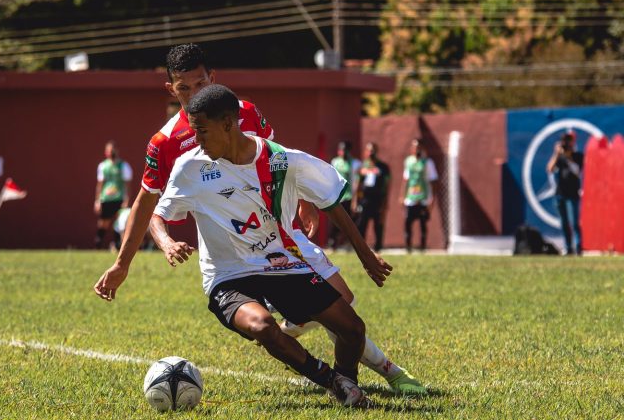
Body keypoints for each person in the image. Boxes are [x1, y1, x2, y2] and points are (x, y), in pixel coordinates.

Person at [93, 44, 426, 396]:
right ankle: (380, 371)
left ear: (213, 79)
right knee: (270, 322)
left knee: (344, 304)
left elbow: (279, 164)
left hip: (280, 236)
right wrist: (124, 263)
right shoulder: (166, 144)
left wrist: (306, 202)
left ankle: (308, 343)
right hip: (229, 251)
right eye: (184, 88)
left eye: (200, 84)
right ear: (170, 89)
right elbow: (148, 204)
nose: (193, 95)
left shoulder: (244, 112)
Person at [151, 84, 397, 407]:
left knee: (352, 329)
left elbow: (331, 201)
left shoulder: (279, 159)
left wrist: (366, 256)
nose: (197, 140)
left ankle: (347, 384)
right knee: (263, 325)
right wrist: (167, 242)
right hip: (227, 276)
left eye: (202, 131)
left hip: (280, 264)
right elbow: (158, 216)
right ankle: (331, 380)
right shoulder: (191, 167)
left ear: (228, 124)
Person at [546, 131, 584, 255]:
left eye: (568, 140)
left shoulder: (578, 156)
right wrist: (556, 154)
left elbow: (576, 171)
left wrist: (568, 157)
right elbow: (550, 169)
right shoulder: (559, 157)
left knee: (574, 223)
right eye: (564, 140)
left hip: (572, 194)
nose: (566, 143)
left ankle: (578, 248)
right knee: (564, 223)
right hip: (560, 194)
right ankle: (568, 248)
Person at [400, 138, 438, 252]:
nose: (416, 150)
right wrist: (402, 195)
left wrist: (432, 198)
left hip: (423, 197)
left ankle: (422, 247)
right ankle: (408, 247)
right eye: (414, 147)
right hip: (411, 197)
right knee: (408, 222)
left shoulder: (428, 163)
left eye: (418, 147)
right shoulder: (408, 161)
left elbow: (433, 180)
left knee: (423, 223)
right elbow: (405, 180)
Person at [94, 141, 132, 249]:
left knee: (118, 222)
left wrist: (126, 200)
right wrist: (97, 201)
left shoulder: (123, 166)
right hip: (106, 199)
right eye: (109, 150)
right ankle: (98, 244)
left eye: (113, 150)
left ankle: (117, 245)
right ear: (106, 152)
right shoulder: (103, 166)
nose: (111, 152)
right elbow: (100, 185)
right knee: (103, 223)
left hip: (119, 198)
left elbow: (128, 185)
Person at [355, 142, 391, 251]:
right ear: (366, 152)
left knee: (378, 224)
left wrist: (385, 202)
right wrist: (355, 201)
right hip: (365, 200)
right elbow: (357, 184)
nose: (371, 153)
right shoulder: (362, 167)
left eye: (373, 150)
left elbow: (387, 185)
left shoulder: (383, 167)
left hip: (377, 200)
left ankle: (378, 247)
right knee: (362, 223)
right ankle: (362, 247)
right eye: (369, 150)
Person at [327, 141, 360, 250]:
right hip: (337, 196)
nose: (343, 152)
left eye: (345, 150)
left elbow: (355, 182)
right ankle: (332, 243)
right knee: (335, 221)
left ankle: (349, 244)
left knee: (349, 221)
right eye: (341, 150)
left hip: (348, 196)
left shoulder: (354, 163)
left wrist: (355, 200)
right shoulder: (335, 162)